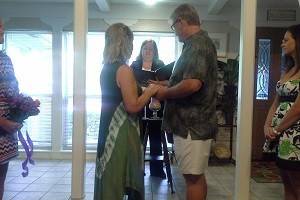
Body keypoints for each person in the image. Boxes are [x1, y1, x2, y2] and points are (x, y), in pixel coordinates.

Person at [152, 4, 218, 200]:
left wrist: (164, 93)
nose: (175, 32)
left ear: (181, 22)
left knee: (192, 179)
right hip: (193, 125)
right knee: (196, 176)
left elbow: (192, 84)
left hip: (192, 126)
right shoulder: (196, 44)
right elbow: (187, 80)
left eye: (173, 27)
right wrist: (164, 84)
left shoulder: (197, 44)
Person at [93, 23, 159, 200]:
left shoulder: (106, 68)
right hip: (120, 135)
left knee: (109, 180)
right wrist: (151, 92)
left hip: (106, 131)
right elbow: (133, 106)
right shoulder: (123, 70)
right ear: (125, 43)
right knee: (117, 182)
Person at [264, 24, 300, 200]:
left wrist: (277, 129)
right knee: (286, 182)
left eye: (286, 40)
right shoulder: (288, 69)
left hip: (295, 135)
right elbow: (276, 101)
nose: (282, 44)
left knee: (297, 183)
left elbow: (299, 108)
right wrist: (267, 125)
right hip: (281, 134)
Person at [130, 40, 166, 179]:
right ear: (141, 50)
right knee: (138, 138)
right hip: (139, 104)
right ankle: (137, 170)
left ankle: (157, 170)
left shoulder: (161, 65)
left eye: (151, 49)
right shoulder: (134, 65)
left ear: (155, 51)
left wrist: (155, 85)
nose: (148, 51)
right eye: (145, 48)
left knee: (156, 137)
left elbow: (167, 83)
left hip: (155, 105)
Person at [0, 18, 22, 199]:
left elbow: (13, 91)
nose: (2, 29)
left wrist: (20, 114)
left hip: (5, 135)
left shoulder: (5, 59)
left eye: (2, 26)